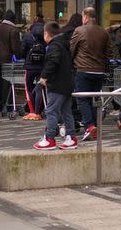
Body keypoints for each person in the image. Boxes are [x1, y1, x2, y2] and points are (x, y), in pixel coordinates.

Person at [33, 22, 77, 150]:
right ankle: (71, 138)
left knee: (51, 111)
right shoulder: (65, 44)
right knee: (66, 112)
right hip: (68, 83)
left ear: (47, 33)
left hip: (57, 84)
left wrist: (44, 77)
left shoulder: (54, 46)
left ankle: (50, 138)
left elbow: (53, 61)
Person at [71, 7, 112, 142]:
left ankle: (89, 126)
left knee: (82, 99)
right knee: (95, 99)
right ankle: (95, 127)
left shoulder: (79, 31)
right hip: (99, 71)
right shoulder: (104, 33)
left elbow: (72, 50)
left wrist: (72, 64)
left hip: (83, 70)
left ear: (86, 17)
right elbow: (108, 53)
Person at [0, 10, 21, 113]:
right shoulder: (14, 30)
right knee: (7, 83)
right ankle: (7, 105)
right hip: (8, 60)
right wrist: (18, 57)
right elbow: (15, 48)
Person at [22, 14, 46, 120]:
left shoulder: (28, 36)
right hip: (42, 67)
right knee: (39, 87)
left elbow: (22, 52)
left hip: (30, 67)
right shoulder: (45, 35)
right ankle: (38, 112)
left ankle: (31, 112)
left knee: (29, 88)